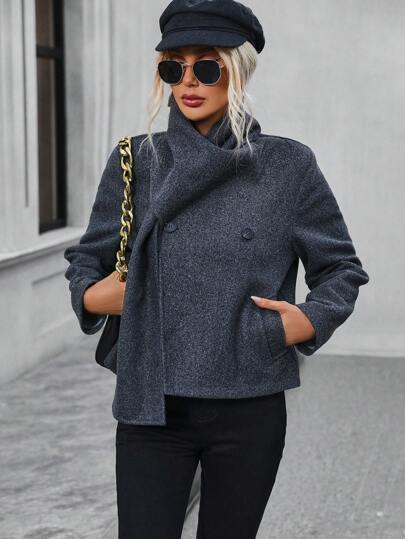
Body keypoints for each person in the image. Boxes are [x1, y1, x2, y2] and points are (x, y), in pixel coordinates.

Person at [63, 1, 370, 537]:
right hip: (151, 403)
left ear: (238, 69)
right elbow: (87, 260)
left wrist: (303, 322)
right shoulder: (137, 159)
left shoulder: (287, 165)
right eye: (173, 67)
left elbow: (341, 267)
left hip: (247, 399)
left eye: (207, 66)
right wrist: (95, 297)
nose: (188, 81)